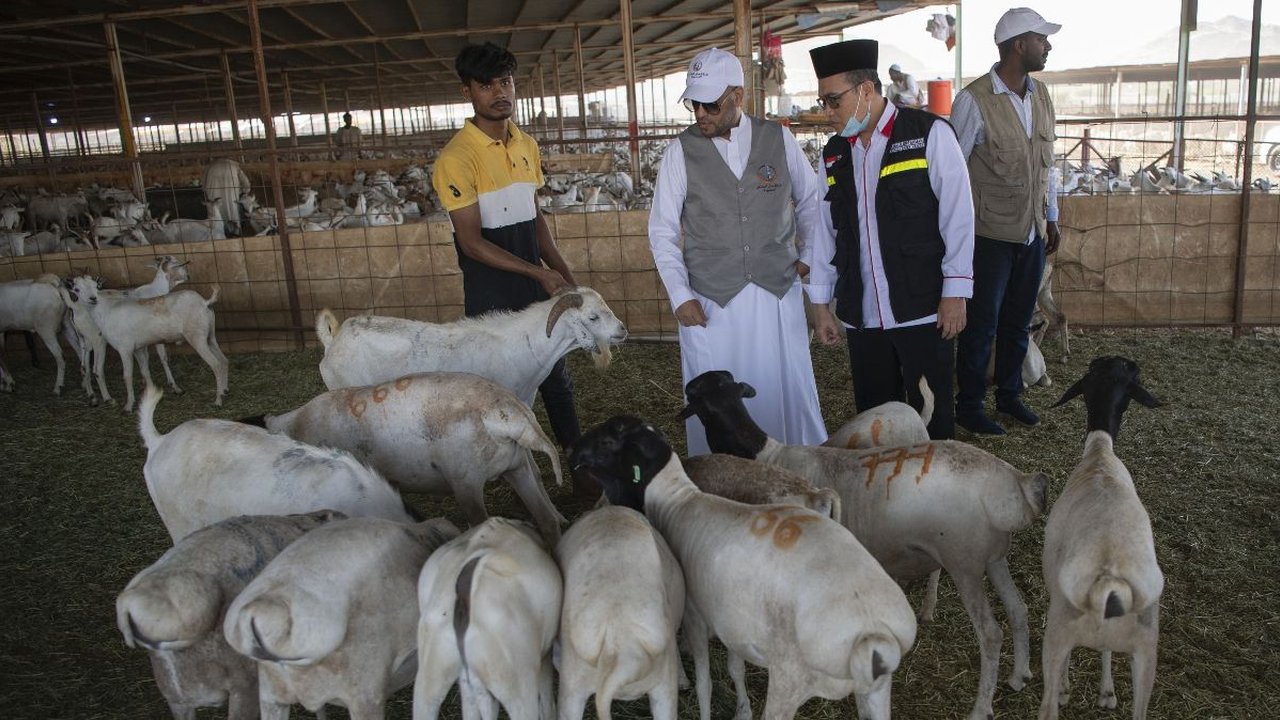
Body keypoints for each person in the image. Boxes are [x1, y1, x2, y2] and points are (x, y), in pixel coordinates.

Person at [648, 47, 827, 456]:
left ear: (737, 97)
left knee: (784, 389)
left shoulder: (777, 137)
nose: (700, 115)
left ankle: (797, 477)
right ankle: (724, 488)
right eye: (694, 104)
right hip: (714, 303)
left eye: (710, 104)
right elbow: (661, 231)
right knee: (720, 401)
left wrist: (809, 253)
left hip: (775, 295)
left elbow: (812, 201)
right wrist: (681, 295)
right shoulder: (680, 152)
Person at [807, 39, 975, 440]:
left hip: (923, 308)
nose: (828, 112)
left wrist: (956, 291)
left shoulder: (928, 134)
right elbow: (824, 230)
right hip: (864, 315)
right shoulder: (833, 155)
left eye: (834, 100)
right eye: (824, 102)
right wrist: (820, 305)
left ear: (865, 90)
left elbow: (959, 217)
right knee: (876, 424)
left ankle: (936, 500)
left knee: (930, 420)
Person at [431, 42, 582, 451]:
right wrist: (539, 272)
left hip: (534, 287)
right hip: (490, 294)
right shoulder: (456, 158)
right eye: (486, 85)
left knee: (554, 374)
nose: (500, 93)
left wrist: (567, 278)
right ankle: (513, 468)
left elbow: (535, 221)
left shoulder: (526, 146)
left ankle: (577, 459)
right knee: (501, 389)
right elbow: (472, 242)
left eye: (506, 81)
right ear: (468, 93)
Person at [950, 7, 1062, 435]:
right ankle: (970, 404)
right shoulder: (973, 100)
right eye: (1041, 39)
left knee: (1019, 319)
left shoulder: (1041, 96)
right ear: (1019, 45)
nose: (1047, 46)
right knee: (982, 323)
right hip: (989, 234)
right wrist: (955, 236)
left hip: (1031, 230)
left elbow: (1047, 165)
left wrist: (1051, 216)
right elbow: (953, 171)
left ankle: (1010, 395)